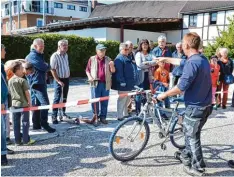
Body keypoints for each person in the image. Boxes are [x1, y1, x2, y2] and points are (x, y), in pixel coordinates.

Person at [157, 32, 212, 176]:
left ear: (186, 45)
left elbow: (180, 87)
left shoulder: (192, 63)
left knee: (192, 137)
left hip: (196, 107)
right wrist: (165, 59)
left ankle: (197, 167)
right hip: (205, 105)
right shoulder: (201, 59)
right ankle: (186, 155)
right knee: (191, 133)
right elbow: (180, 62)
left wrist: (164, 94)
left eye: (183, 42)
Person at [25, 38, 56, 133]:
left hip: (39, 82)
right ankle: (44, 123)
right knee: (45, 104)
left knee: (36, 104)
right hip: (37, 83)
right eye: (41, 46)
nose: (43, 48)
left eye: (43, 46)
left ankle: (36, 124)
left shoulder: (38, 55)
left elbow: (45, 66)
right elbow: (44, 67)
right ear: (35, 46)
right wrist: (46, 65)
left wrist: (46, 65)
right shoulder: (32, 56)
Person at [86, 44, 115, 124]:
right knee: (95, 101)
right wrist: (89, 77)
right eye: (101, 50)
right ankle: (95, 117)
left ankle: (103, 117)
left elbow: (113, 71)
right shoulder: (92, 59)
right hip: (95, 83)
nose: (103, 52)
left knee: (104, 101)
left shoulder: (108, 59)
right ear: (97, 51)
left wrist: (112, 65)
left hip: (105, 83)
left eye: (104, 50)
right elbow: (87, 70)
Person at [8, 61, 35, 145]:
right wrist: (30, 104)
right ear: (18, 70)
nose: (23, 69)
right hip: (23, 105)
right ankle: (26, 140)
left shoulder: (10, 80)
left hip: (14, 105)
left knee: (16, 124)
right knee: (25, 122)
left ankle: (17, 141)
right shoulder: (22, 80)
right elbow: (27, 94)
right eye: (22, 68)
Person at [112, 43, 136, 121]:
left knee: (127, 100)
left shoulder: (126, 57)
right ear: (120, 50)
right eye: (125, 49)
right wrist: (122, 81)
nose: (127, 50)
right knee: (122, 100)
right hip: (123, 84)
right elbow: (119, 72)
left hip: (129, 84)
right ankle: (120, 116)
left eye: (127, 49)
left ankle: (125, 114)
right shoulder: (119, 58)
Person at [50, 39, 71, 124]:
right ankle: (54, 116)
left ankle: (63, 114)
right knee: (57, 98)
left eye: (66, 45)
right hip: (58, 79)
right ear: (59, 46)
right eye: (63, 45)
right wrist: (58, 80)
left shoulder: (66, 55)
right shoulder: (54, 56)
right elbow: (52, 69)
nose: (65, 47)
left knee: (65, 97)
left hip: (66, 78)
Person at [135, 39, 156, 115]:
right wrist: (150, 64)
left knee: (146, 94)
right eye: (143, 44)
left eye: (146, 44)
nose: (145, 46)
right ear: (140, 45)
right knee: (139, 94)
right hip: (140, 76)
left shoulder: (151, 53)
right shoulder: (138, 54)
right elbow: (139, 65)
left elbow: (155, 61)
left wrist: (146, 63)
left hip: (148, 76)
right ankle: (138, 112)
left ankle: (145, 111)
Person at [1, 44, 14, 166]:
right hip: (1, 103)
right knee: (2, 128)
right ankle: (2, 154)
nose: (5, 51)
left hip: (4, 100)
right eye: (4, 49)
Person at [125, 41, 136, 114]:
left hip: (133, 76)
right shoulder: (124, 54)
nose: (131, 48)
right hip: (126, 77)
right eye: (130, 47)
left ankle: (129, 108)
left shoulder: (133, 54)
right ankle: (126, 109)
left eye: (132, 47)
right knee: (126, 94)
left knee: (131, 94)